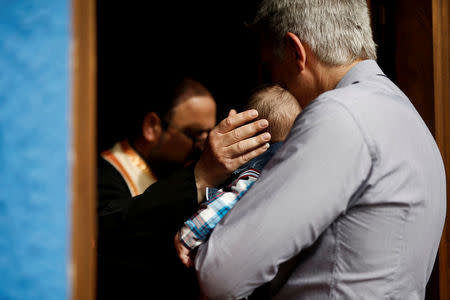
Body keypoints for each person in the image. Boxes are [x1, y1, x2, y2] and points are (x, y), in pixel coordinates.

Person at [194, 1, 447, 299]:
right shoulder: (407, 115)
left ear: (295, 51)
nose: (281, 89)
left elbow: (220, 273)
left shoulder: (339, 113)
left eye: (275, 74)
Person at [97, 76, 272, 299]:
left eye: (208, 134)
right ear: (152, 127)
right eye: (194, 134)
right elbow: (110, 233)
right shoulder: (101, 176)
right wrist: (200, 176)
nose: (203, 146)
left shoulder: (176, 169)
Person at [174, 84, 301, 268]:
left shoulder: (254, 173)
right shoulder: (293, 168)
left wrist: (188, 235)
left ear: (249, 133)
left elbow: (229, 201)